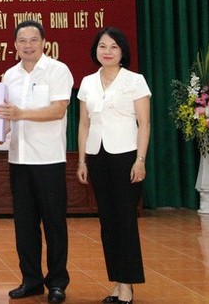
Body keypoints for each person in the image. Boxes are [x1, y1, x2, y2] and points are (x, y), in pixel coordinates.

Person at [0, 20, 73, 304]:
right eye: (22, 40)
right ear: (14, 45)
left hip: (49, 159)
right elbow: (5, 116)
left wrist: (21, 114)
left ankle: (57, 282)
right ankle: (31, 280)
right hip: (19, 158)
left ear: (44, 43)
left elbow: (57, 110)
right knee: (24, 224)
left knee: (54, 223)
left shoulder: (58, 70)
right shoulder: (9, 75)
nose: (28, 45)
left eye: (33, 40)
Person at [76, 27, 150, 304]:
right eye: (102, 46)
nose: (107, 51)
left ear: (122, 52)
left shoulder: (135, 81)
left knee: (125, 221)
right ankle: (117, 282)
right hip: (97, 156)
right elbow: (84, 124)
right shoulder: (87, 82)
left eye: (113, 47)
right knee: (108, 222)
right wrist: (82, 160)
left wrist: (140, 160)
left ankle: (128, 285)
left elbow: (144, 123)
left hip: (126, 156)